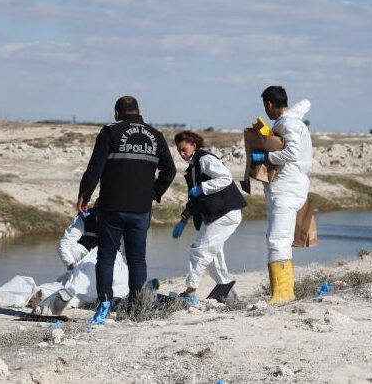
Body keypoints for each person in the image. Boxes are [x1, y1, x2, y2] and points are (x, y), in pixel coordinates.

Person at [77, 96, 176, 325]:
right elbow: (170, 171)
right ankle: (138, 307)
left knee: (106, 257)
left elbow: (95, 167)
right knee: (137, 259)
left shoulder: (109, 132)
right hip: (141, 208)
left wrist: (85, 194)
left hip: (111, 206)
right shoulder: (155, 135)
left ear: (116, 113)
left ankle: (104, 304)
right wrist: (153, 193)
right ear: (139, 111)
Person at [252, 86, 312, 304]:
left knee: (278, 239)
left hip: (286, 189)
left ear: (269, 104)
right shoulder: (290, 121)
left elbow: (292, 152)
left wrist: (267, 157)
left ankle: (283, 293)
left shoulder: (288, 124)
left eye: (264, 105)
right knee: (279, 238)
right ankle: (283, 291)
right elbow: (302, 107)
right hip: (288, 187)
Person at [171, 131, 246, 305]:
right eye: (179, 150)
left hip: (225, 212)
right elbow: (194, 198)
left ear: (194, 145)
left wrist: (203, 187)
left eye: (184, 149)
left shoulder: (205, 159)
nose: (182, 154)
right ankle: (227, 292)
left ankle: (190, 293)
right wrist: (184, 218)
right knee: (213, 254)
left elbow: (225, 178)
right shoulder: (193, 167)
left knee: (200, 250)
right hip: (216, 214)